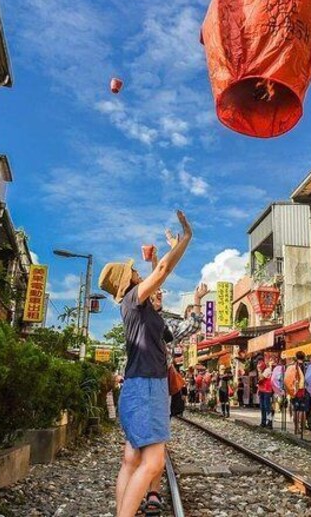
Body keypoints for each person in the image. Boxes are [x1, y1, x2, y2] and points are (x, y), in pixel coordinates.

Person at [99, 210, 192, 517]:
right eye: (135, 271)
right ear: (129, 282)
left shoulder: (138, 306)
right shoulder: (134, 300)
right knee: (153, 462)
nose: (138, 272)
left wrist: (155, 260)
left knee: (131, 459)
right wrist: (185, 239)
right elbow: (164, 270)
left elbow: (157, 279)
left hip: (140, 386)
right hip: (147, 387)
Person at [257, 360, 274, 428]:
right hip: (262, 391)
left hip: (267, 391)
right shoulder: (263, 370)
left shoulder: (267, 370)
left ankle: (269, 422)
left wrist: (259, 371)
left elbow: (261, 378)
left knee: (267, 407)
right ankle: (263, 422)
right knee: (262, 407)